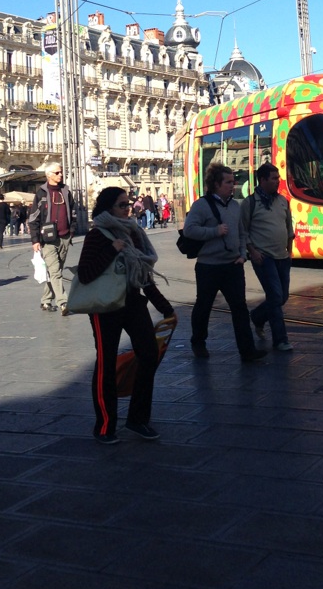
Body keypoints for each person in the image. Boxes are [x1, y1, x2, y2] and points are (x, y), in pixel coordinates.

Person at [78, 187, 174, 444]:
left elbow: (143, 274)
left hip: (132, 302)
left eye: (128, 204)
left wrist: (164, 307)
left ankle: (138, 418)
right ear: (108, 207)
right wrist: (112, 249)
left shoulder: (133, 232)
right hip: (105, 307)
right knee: (106, 363)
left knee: (149, 354)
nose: (128, 209)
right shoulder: (97, 234)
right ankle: (105, 425)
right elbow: (85, 274)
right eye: (122, 205)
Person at [183, 162, 267, 363]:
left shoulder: (235, 206)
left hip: (233, 265)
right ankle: (198, 342)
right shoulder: (201, 205)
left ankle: (247, 350)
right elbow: (189, 230)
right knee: (204, 306)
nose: (233, 185)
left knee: (239, 308)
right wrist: (215, 231)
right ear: (216, 184)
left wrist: (242, 255)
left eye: (233, 181)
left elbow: (241, 232)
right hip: (208, 266)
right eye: (228, 182)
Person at [241, 163, 295, 352]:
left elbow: (289, 228)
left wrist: (290, 252)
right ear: (262, 180)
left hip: (283, 257)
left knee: (282, 297)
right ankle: (280, 340)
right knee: (275, 296)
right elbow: (243, 231)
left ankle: (257, 316)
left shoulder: (282, 201)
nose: (278, 181)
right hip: (264, 258)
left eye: (278, 178)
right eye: (274, 178)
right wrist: (253, 252)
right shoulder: (250, 203)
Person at [28, 161, 76, 315]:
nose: (60, 175)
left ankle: (46, 300)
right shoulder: (41, 193)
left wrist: (71, 231)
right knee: (55, 272)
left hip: (64, 237)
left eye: (61, 172)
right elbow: (33, 218)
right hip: (47, 240)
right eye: (57, 172)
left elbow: (73, 212)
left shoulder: (66, 191)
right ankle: (63, 303)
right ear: (48, 175)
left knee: (56, 271)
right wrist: (35, 240)